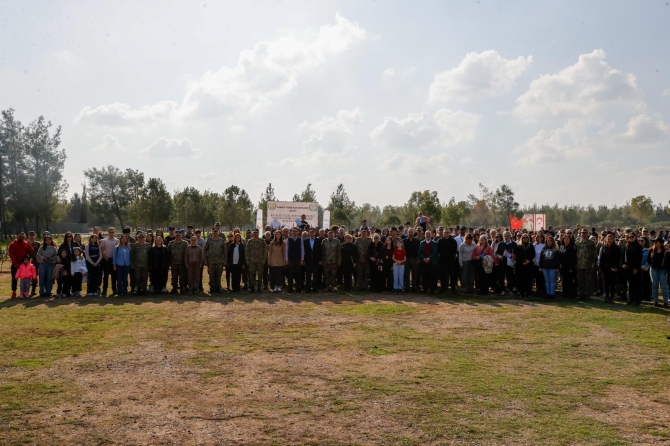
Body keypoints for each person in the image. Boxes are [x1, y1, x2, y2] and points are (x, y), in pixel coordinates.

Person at [8, 231, 35, 298]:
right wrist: (16, 263)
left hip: (24, 265)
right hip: (15, 264)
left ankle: (25, 292)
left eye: (23, 237)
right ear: (17, 236)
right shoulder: (12, 244)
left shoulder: (26, 244)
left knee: (25, 279)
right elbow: (11, 254)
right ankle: (14, 291)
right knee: (14, 278)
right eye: (20, 237)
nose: (21, 238)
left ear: (24, 237)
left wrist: (29, 245)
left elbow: (32, 251)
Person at [598, 233, 621, 303]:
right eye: (608, 239)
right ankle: (607, 297)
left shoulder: (617, 248)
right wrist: (599, 267)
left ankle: (611, 297)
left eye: (611, 239)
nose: (609, 240)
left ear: (613, 239)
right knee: (605, 283)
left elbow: (618, 259)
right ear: (606, 239)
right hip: (604, 268)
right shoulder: (603, 248)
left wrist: (616, 267)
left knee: (612, 283)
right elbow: (600, 258)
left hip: (613, 268)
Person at [437, 229, 458, 295]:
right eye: (445, 232)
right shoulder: (440, 241)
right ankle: (442, 289)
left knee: (452, 276)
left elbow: (455, 251)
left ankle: (453, 290)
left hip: (451, 261)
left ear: (449, 233)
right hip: (443, 261)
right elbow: (438, 251)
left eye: (447, 232)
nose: (446, 234)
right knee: (442, 276)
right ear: (443, 233)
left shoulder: (453, 241)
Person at [649, 238, 669, 308]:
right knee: (654, 285)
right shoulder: (652, 250)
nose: (654, 243)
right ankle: (655, 301)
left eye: (656, 242)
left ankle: (666, 302)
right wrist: (651, 265)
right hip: (654, 269)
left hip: (662, 270)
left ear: (660, 243)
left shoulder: (665, 251)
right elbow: (649, 260)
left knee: (664, 286)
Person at [514, 233, 535, 298]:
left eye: (526, 237)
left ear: (528, 238)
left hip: (529, 265)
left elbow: (533, 254)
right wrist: (522, 262)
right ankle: (522, 292)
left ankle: (528, 293)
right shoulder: (518, 246)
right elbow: (516, 255)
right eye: (524, 237)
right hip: (520, 265)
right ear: (521, 238)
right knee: (521, 279)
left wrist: (529, 260)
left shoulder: (531, 246)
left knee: (528, 279)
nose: (525, 239)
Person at [246, 229, 267, 293]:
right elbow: (247, 251)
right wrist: (247, 260)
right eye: (254, 232)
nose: (255, 234)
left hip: (260, 261)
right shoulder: (250, 241)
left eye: (256, 233)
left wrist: (264, 259)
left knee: (260, 275)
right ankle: (252, 288)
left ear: (258, 233)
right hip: (252, 261)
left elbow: (265, 251)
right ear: (253, 233)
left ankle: (259, 288)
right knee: (252, 275)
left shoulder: (262, 241)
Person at [100, 228, 119, 296]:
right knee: (105, 276)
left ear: (114, 233)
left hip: (114, 260)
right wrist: (106, 258)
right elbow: (102, 250)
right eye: (110, 232)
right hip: (106, 260)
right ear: (108, 233)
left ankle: (114, 290)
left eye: (112, 232)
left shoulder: (117, 241)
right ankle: (104, 290)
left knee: (114, 276)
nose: (111, 233)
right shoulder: (104, 240)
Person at [285, 228, 305, 293]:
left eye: (295, 231)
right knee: (290, 274)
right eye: (293, 231)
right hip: (290, 259)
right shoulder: (288, 239)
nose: (294, 232)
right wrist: (286, 259)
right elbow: (286, 250)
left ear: (297, 232)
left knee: (298, 274)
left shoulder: (300, 240)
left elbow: (302, 250)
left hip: (298, 259)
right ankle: (290, 288)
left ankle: (298, 287)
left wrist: (302, 259)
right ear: (291, 232)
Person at [304, 228, 322, 293]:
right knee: (308, 275)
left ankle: (315, 288)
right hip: (308, 260)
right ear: (309, 233)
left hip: (315, 260)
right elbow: (304, 251)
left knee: (315, 275)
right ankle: (308, 288)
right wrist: (304, 260)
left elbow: (320, 251)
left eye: (313, 232)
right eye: (310, 232)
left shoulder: (318, 240)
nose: (311, 234)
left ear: (314, 233)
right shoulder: (305, 241)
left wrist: (320, 260)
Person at [559, 234, 577, 298]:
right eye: (565, 239)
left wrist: (571, 267)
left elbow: (573, 258)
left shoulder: (572, 248)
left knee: (569, 281)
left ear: (570, 240)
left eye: (568, 239)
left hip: (569, 267)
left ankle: (570, 295)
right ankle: (564, 294)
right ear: (563, 240)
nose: (566, 240)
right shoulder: (561, 247)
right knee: (563, 281)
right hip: (563, 267)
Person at [27, 231, 40, 296]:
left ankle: (33, 290)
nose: (31, 236)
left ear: (35, 236)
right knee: (27, 276)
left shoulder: (38, 244)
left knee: (34, 276)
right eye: (30, 235)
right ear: (28, 236)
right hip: (27, 262)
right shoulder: (25, 243)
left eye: (33, 235)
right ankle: (26, 291)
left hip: (35, 262)